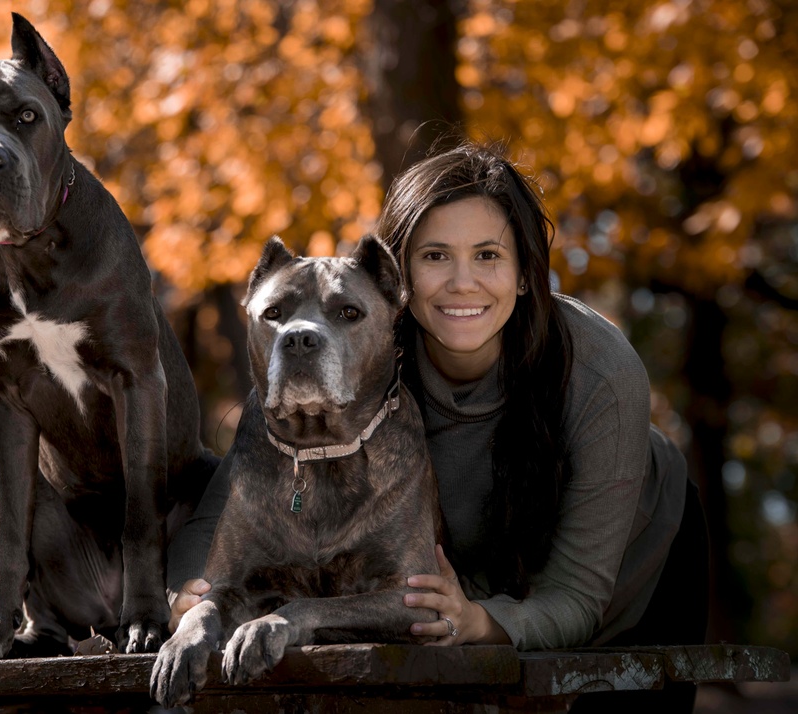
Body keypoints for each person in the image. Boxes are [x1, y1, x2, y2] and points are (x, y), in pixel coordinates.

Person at [166, 141, 709, 712]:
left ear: (526, 275)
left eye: (488, 256)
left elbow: (575, 597)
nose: (461, 283)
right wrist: (188, 598)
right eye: (434, 257)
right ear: (397, 282)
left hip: (633, 566)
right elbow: (219, 516)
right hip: (467, 597)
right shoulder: (354, 351)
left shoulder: (600, 370)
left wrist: (480, 621)